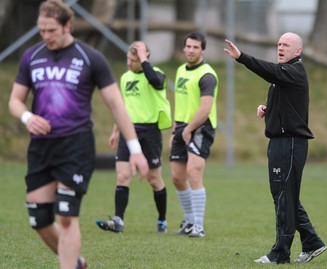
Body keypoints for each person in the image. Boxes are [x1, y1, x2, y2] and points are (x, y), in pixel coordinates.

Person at [8, 1, 148, 268]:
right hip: (41, 147)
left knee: (67, 216)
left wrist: (136, 150)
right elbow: (15, 101)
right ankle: (76, 262)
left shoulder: (90, 58)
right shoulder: (32, 57)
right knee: (39, 219)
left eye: (51, 30)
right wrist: (28, 117)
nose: (46, 36)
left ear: (67, 26)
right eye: (41, 30)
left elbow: (117, 105)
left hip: (76, 145)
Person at [224, 33, 327, 264]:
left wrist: (241, 57)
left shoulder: (294, 71)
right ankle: (311, 241)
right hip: (280, 143)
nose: (280, 47)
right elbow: (288, 104)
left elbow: (269, 71)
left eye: (286, 45)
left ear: (297, 51)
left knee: (284, 197)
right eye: (279, 44)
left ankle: (280, 253)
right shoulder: (286, 74)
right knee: (284, 196)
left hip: (290, 144)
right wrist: (268, 109)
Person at [96, 41, 171, 233]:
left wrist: (144, 59)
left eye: (134, 60)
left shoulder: (156, 74)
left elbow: (155, 81)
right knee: (122, 176)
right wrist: (115, 130)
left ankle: (162, 219)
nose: (129, 63)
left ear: (144, 60)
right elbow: (122, 107)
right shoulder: (125, 78)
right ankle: (118, 220)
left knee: (154, 179)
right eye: (128, 59)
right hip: (128, 132)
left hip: (151, 133)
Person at [170, 32, 218, 238]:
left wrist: (188, 130)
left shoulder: (207, 75)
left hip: (201, 127)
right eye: (188, 46)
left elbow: (205, 109)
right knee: (177, 178)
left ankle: (199, 226)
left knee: (194, 173)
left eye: (195, 47)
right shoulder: (181, 70)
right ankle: (189, 221)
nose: (191, 50)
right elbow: (180, 104)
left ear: (203, 50)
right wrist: (176, 131)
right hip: (182, 127)